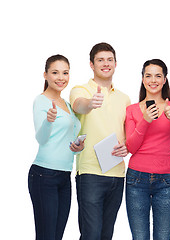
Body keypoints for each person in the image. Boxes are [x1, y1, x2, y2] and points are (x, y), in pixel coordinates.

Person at [69, 42, 130, 240]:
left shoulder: (124, 99)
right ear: (91, 64)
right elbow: (79, 106)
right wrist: (90, 103)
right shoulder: (81, 90)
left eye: (109, 60)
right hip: (90, 174)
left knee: (106, 235)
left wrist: (126, 146)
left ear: (115, 63)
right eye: (100, 60)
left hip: (117, 174)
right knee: (91, 234)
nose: (106, 64)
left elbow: (128, 134)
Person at [125, 59, 170, 240]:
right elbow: (131, 147)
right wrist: (146, 120)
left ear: (165, 79)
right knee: (139, 237)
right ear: (142, 79)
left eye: (158, 76)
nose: (153, 80)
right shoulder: (132, 110)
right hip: (137, 179)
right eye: (148, 75)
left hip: (166, 180)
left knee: (163, 237)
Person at [28, 54, 84, 240]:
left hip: (64, 175)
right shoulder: (41, 101)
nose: (61, 77)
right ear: (45, 75)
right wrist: (48, 121)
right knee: (46, 236)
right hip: (44, 175)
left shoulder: (66, 104)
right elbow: (42, 139)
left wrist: (78, 146)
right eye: (55, 72)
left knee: (57, 236)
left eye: (65, 73)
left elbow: (65, 138)